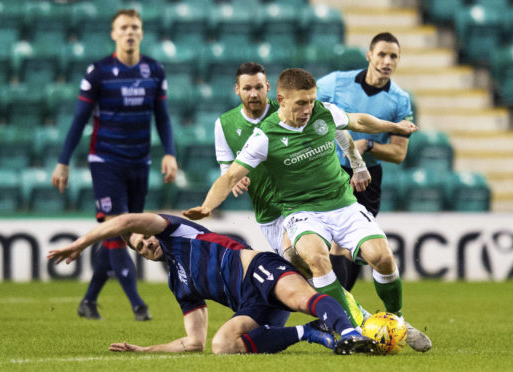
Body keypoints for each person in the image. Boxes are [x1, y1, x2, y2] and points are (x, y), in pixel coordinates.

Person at [182, 68, 431, 350]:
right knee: (313, 258)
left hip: (342, 204)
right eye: (302, 103)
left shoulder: (323, 113)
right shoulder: (264, 136)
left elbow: (358, 122)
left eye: (311, 101)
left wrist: (394, 128)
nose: (308, 108)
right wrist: (207, 206)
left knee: (382, 257)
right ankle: (351, 329)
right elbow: (229, 175)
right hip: (301, 211)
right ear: (283, 100)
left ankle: (396, 319)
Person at [47, 213, 377, 355]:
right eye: (140, 246)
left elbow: (128, 220)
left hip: (258, 270)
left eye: (147, 237)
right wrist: (145, 351)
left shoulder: (175, 231)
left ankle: (351, 333)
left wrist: (81, 242)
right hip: (252, 306)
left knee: (302, 297)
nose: (148, 243)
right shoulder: (179, 284)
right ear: (140, 254)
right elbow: (194, 343)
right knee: (223, 346)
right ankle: (312, 332)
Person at [51, 9, 178, 321]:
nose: (129, 32)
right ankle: (138, 304)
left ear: (142, 32)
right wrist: (63, 161)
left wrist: (169, 152)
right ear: (113, 34)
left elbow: (161, 116)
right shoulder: (99, 71)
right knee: (119, 229)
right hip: (106, 161)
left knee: (123, 231)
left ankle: (89, 301)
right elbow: (80, 119)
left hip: (140, 161)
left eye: (135, 27)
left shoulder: (154, 70)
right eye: (123, 27)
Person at [215, 62, 370, 255]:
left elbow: (336, 128)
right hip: (268, 211)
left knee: (314, 259)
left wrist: (358, 165)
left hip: (304, 204)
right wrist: (232, 179)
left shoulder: (292, 109)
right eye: (247, 88)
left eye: (259, 87)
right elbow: (225, 165)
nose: (253, 94)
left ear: (268, 87)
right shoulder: (223, 124)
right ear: (237, 89)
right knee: (296, 267)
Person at [317, 32, 413, 293]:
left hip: (368, 177)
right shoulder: (336, 83)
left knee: (352, 245)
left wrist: (368, 145)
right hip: (333, 171)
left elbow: (398, 153)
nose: (387, 60)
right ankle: (338, 311)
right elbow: (305, 107)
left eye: (393, 56)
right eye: (382, 54)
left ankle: (338, 309)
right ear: (369, 55)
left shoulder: (400, 100)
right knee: (339, 243)